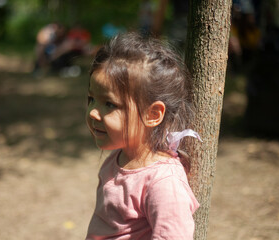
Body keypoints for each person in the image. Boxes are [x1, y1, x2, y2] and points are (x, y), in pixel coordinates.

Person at [85, 32, 202, 240]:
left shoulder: (163, 182)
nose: (93, 112)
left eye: (109, 104)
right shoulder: (119, 158)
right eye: (91, 99)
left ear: (153, 114)